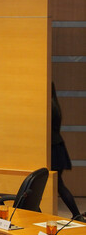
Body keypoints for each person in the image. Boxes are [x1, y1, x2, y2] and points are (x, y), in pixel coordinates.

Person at [51, 82, 84, 222]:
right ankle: (76, 214)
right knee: (57, 184)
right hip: (57, 147)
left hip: (53, 149)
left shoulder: (49, 107)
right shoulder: (54, 105)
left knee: (57, 184)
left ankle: (76, 215)